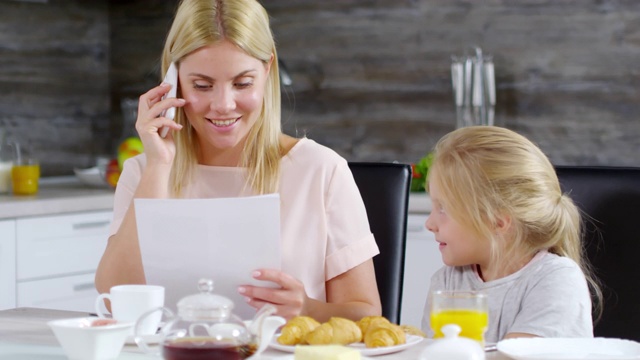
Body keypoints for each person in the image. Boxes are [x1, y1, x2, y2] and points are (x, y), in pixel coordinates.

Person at [95, 0, 381, 322]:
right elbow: (112, 299)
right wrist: (159, 165)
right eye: (202, 86)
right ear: (173, 81)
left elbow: (366, 314)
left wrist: (308, 309)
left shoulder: (320, 170)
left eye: (242, 83)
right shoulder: (145, 171)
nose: (223, 104)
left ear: (267, 70)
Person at [420, 126, 602, 342]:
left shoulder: (556, 280)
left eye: (443, 209)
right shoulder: (448, 282)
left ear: (498, 221)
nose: (429, 223)